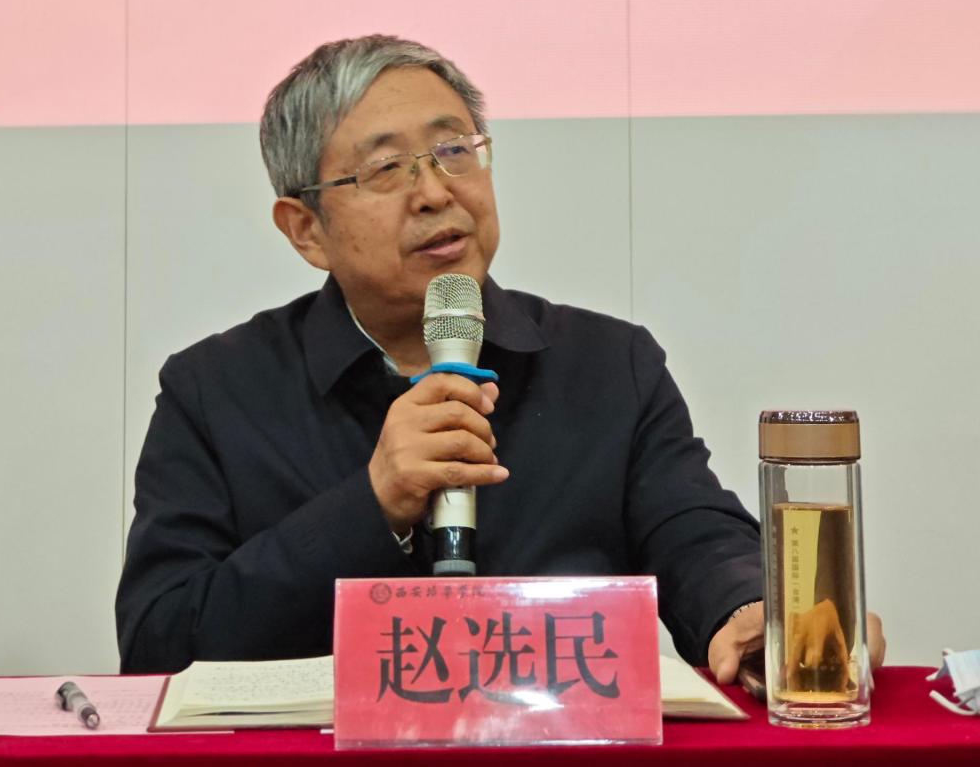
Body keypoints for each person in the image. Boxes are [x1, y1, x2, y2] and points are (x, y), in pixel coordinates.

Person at [116, 35, 884, 680]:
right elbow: (157, 642)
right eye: (385, 169)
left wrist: (750, 604)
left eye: (454, 149)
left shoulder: (608, 365)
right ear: (305, 228)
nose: (434, 191)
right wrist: (372, 503)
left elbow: (696, 533)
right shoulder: (214, 391)